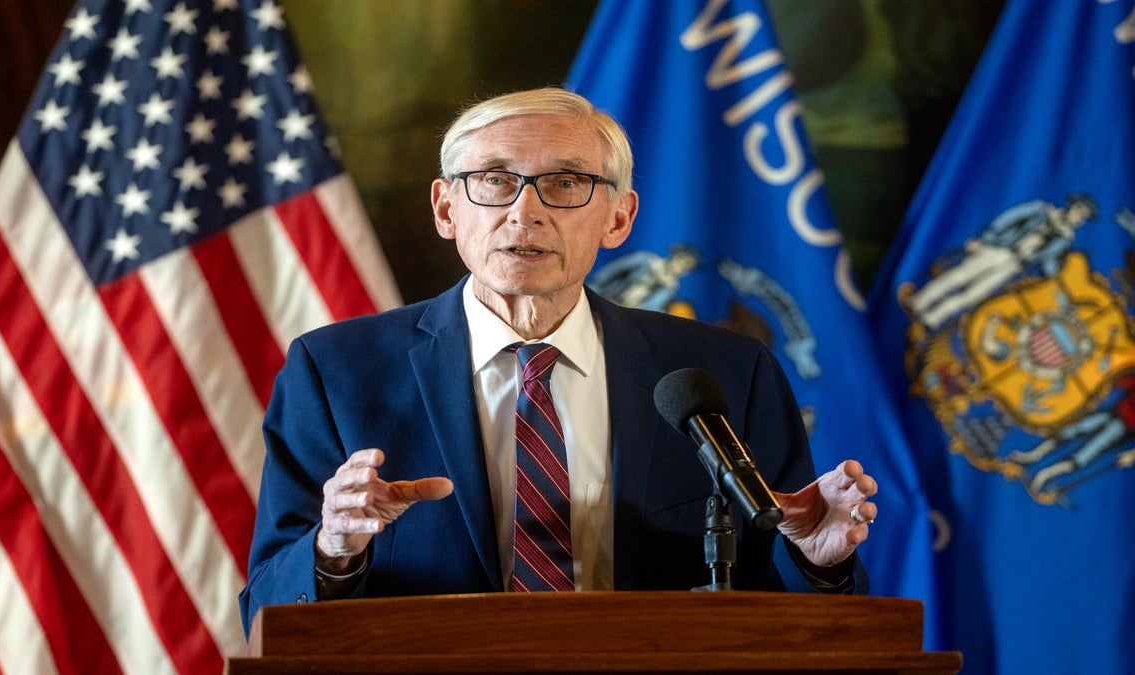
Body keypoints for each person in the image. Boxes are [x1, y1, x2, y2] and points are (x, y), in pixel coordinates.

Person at [239, 88, 877, 633]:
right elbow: (268, 607)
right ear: (445, 209)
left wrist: (818, 563)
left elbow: (789, 606)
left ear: (619, 218)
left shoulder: (726, 374)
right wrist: (335, 549)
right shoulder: (336, 371)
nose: (525, 212)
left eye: (566, 183)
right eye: (493, 180)